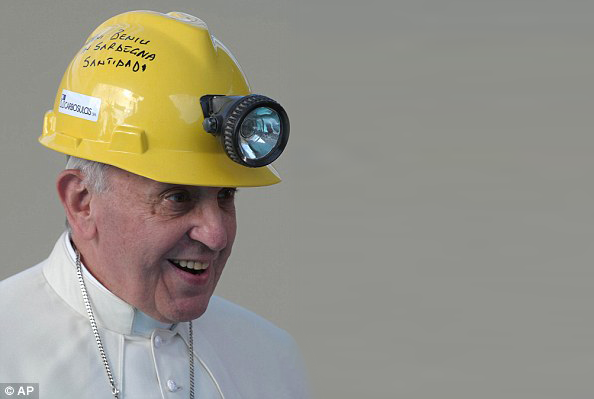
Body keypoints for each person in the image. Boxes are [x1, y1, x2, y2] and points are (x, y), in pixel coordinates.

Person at [0, 10, 308, 398]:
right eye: (177, 198)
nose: (215, 235)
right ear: (82, 203)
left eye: (226, 196)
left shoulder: (270, 359)